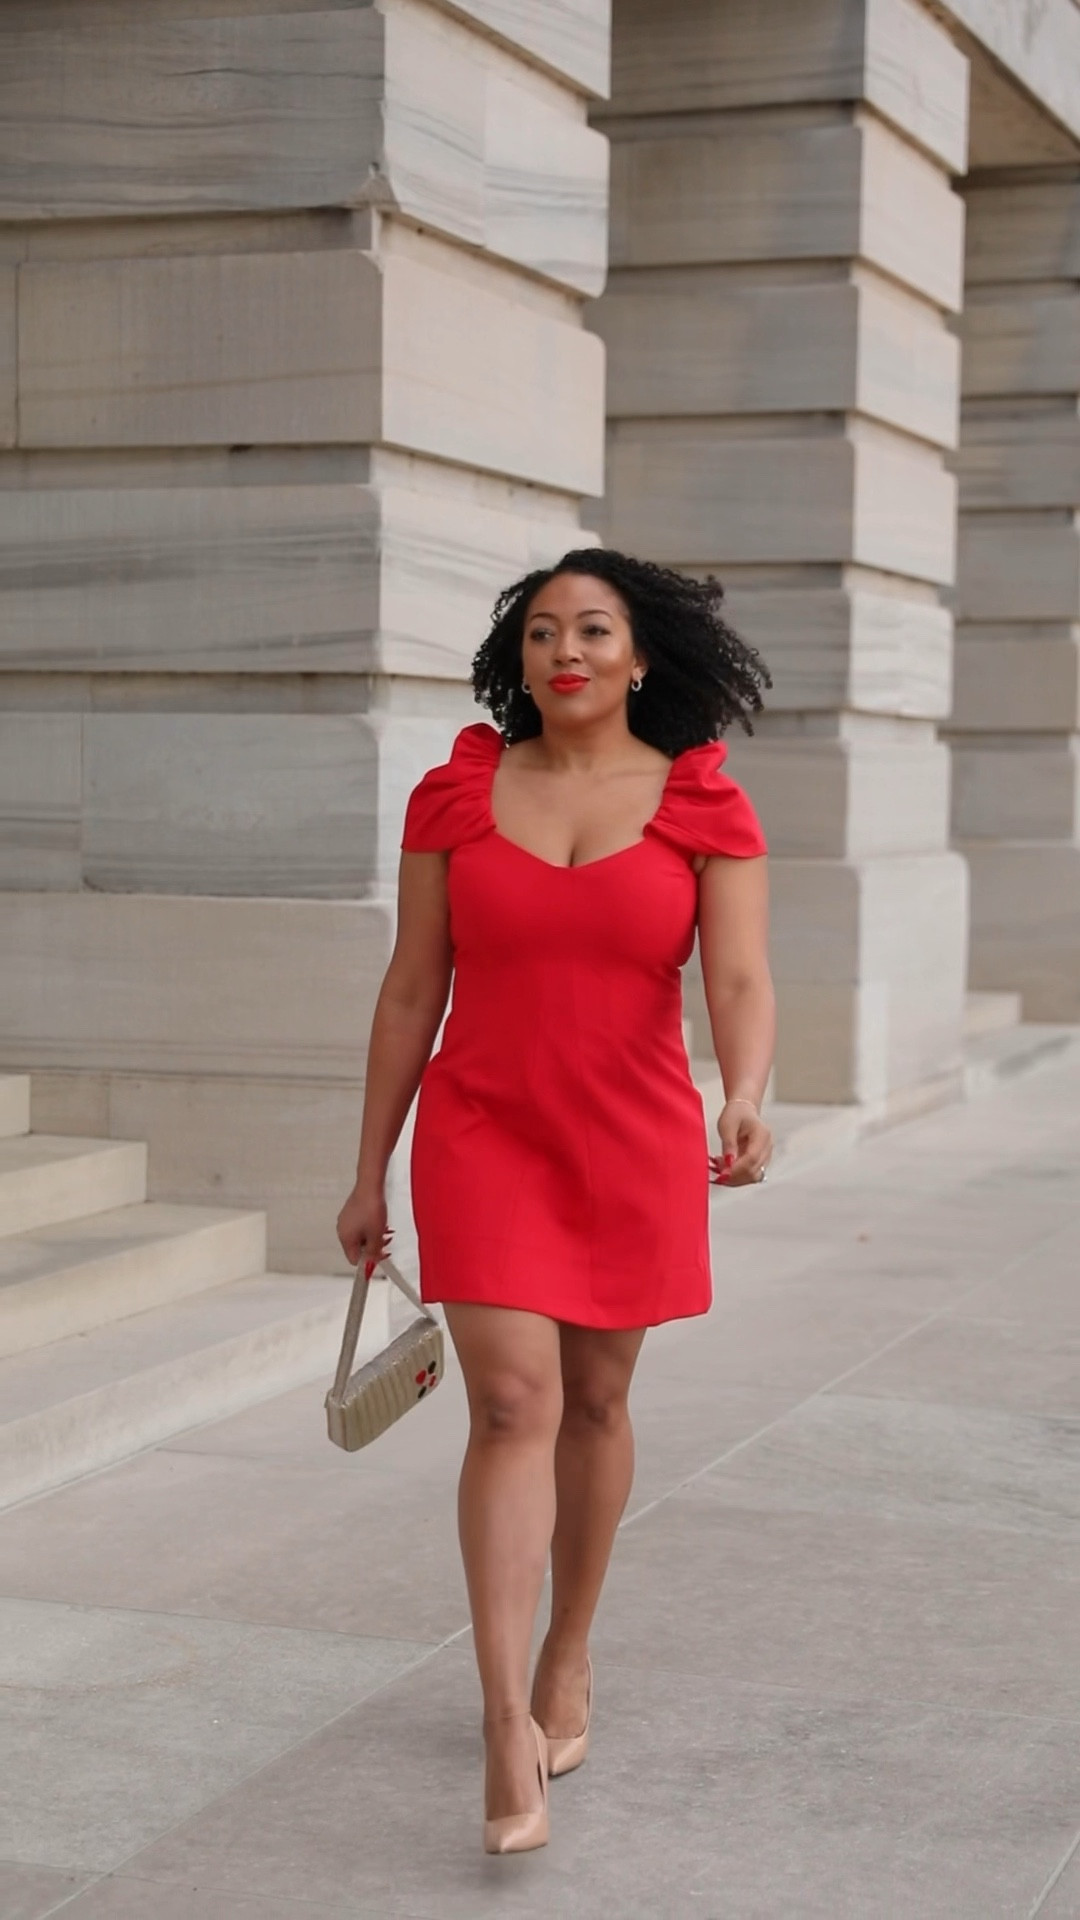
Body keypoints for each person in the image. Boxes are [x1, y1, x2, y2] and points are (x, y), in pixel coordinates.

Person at [336, 548, 775, 1855]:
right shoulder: (458, 795)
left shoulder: (703, 803)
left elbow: (740, 981)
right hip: (483, 1130)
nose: (563, 653)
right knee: (512, 1401)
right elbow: (413, 988)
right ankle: (497, 1721)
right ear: (517, 658)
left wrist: (746, 1091)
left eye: (592, 631)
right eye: (539, 634)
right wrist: (370, 1168)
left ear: (645, 659)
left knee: (595, 1399)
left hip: (632, 1140)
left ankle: (568, 1654)